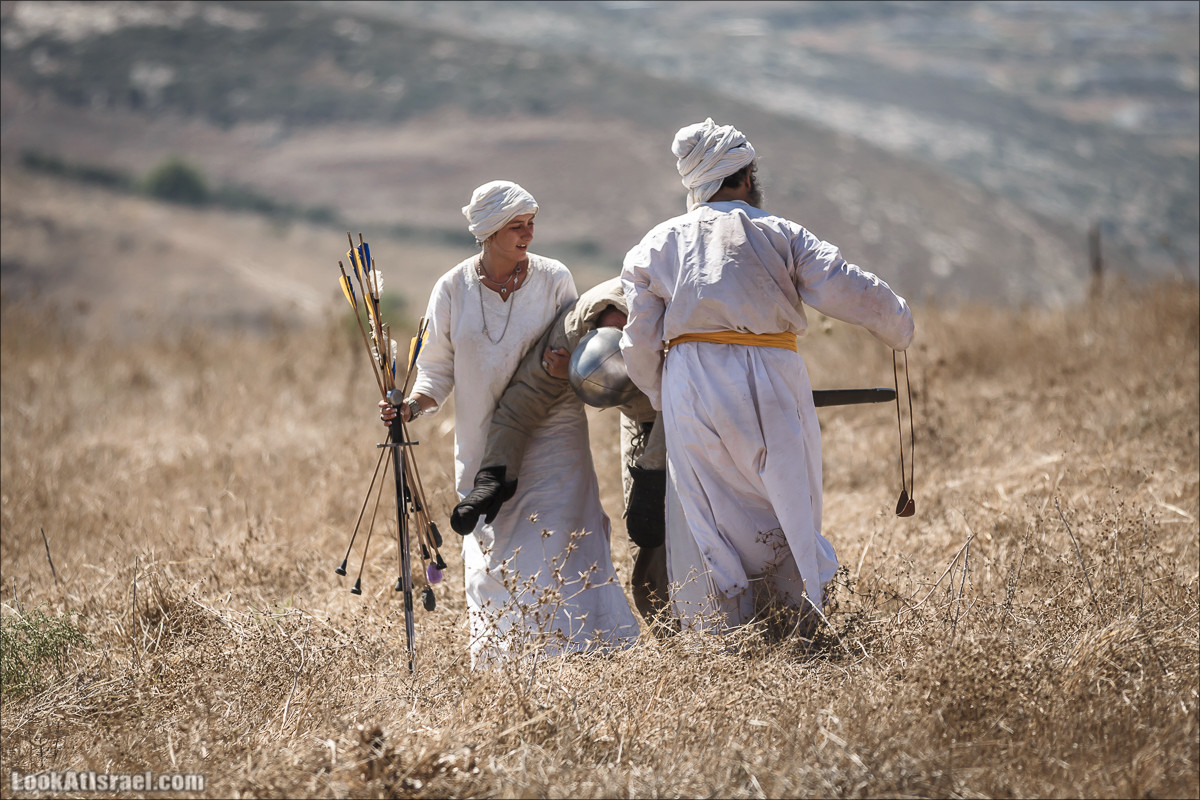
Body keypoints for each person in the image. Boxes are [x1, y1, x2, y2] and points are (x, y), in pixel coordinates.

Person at [619, 119, 915, 637]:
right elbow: (847, 286)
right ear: (746, 175)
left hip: (691, 388)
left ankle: (718, 638)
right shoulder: (780, 232)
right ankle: (795, 629)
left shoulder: (656, 244)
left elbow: (639, 342)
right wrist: (898, 326)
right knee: (787, 504)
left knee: (706, 514)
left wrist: (661, 394)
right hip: (775, 380)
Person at [382, 180, 639, 667]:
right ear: (488, 231)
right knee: (494, 545)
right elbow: (435, 370)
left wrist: (570, 366)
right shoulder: (452, 288)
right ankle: (514, 660)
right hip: (483, 439)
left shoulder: (554, 277)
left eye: (531, 224)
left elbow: (576, 339)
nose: (528, 234)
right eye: (517, 226)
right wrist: (412, 406)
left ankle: (582, 655)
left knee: (562, 531)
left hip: (554, 426)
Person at [449, 275, 672, 628]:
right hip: (641, 417)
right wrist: (493, 474)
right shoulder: (572, 332)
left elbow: (677, 403)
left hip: (687, 405)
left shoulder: (665, 319)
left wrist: (654, 472)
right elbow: (524, 399)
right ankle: (670, 630)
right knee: (646, 538)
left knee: (683, 519)